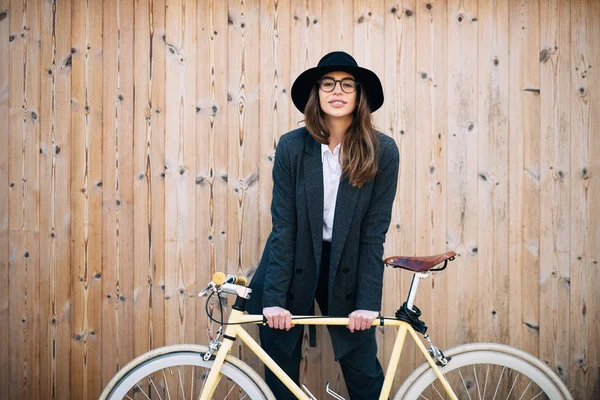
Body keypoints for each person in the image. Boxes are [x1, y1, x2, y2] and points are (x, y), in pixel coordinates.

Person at [247, 51, 399, 400]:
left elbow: (374, 232)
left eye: (348, 84)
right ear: (316, 93)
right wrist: (273, 298)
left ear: (359, 95)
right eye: (328, 83)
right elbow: (283, 225)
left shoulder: (383, 151)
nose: (337, 90)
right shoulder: (291, 147)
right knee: (279, 367)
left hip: (347, 263)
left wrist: (367, 301)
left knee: (362, 369)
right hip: (293, 257)